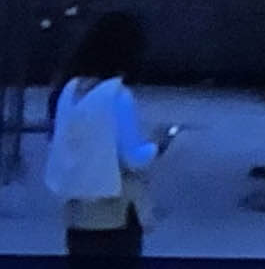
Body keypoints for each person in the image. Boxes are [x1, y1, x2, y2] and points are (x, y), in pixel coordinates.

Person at [43, 14, 171, 257]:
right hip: (115, 215)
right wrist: (158, 145)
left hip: (77, 215)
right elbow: (133, 157)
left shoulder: (69, 92)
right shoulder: (117, 96)